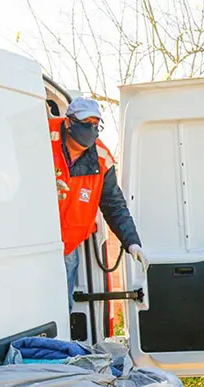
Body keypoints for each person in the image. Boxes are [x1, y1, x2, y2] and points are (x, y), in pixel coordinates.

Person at [50, 97, 148, 309]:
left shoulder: (102, 159)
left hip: (67, 246)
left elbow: (114, 205)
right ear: (69, 122)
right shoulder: (44, 138)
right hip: (35, 243)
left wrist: (132, 241)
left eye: (96, 125)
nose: (91, 130)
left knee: (59, 308)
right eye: (86, 124)